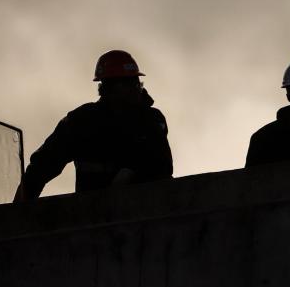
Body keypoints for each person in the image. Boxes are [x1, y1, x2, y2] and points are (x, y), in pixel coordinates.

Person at [13, 50, 173, 201]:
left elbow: (161, 168)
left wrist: (129, 173)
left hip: (147, 213)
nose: (134, 89)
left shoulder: (152, 120)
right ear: (106, 88)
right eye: (124, 84)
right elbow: (42, 166)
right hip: (93, 217)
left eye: (134, 83)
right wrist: (16, 212)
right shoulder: (81, 121)